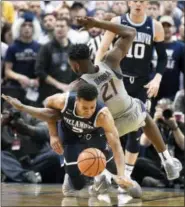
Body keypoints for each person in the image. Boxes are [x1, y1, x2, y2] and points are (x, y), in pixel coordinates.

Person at [65, 16, 181, 183]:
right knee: (143, 112)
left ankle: (102, 176)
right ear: (90, 56)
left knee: (88, 131)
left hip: (110, 129)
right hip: (132, 115)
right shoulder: (111, 61)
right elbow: (130, 32)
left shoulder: (77, 86)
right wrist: (97, 23)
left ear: (74, 65)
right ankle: (167, 160)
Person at [2, 84, 141, 198]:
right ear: (77, 101)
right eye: (84, 107)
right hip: (70, 134)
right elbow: (47, 110)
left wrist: (122, 175)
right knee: (76, 186)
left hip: (93, 134)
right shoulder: (62, 101)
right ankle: (76, 177)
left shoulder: (103, 115)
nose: (89, 111)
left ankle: (108, 179)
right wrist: (53, 135)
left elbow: (116, 146)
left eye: (92, 107)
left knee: (117, 171)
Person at [95, 1, 167, 179]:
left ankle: (125, 177)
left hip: (141, 84)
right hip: (118, 82)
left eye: (142, 1)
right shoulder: (117, 20)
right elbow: (103, 48)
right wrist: (96, 74)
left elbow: (163, 58)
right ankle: (102, 173)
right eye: (134, 0)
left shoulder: (155, 26)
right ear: (128, 2)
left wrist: (157, 78)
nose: (138, 4)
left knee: (135, 131)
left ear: (147, 4)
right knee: (107, 127)